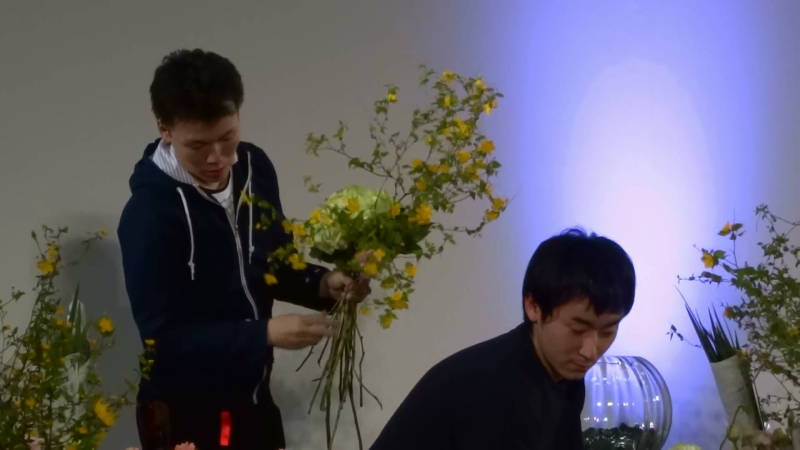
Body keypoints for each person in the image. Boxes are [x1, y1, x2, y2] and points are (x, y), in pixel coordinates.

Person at [118, 49, 370, 450]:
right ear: (164, 128)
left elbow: (273, 265)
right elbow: (162, 341)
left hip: (255, 402)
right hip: (183, 414)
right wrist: (262, 334)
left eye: (227, 137)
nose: (217, 158)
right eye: (199, 145)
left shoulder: (254, 167)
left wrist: (324, 284)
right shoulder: (148, 214)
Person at [370, 228, 636, 449]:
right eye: (577, 329)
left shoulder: (562, 374)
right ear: (533, 306)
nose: (590, 351)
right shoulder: (489, 386)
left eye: (607, 331)